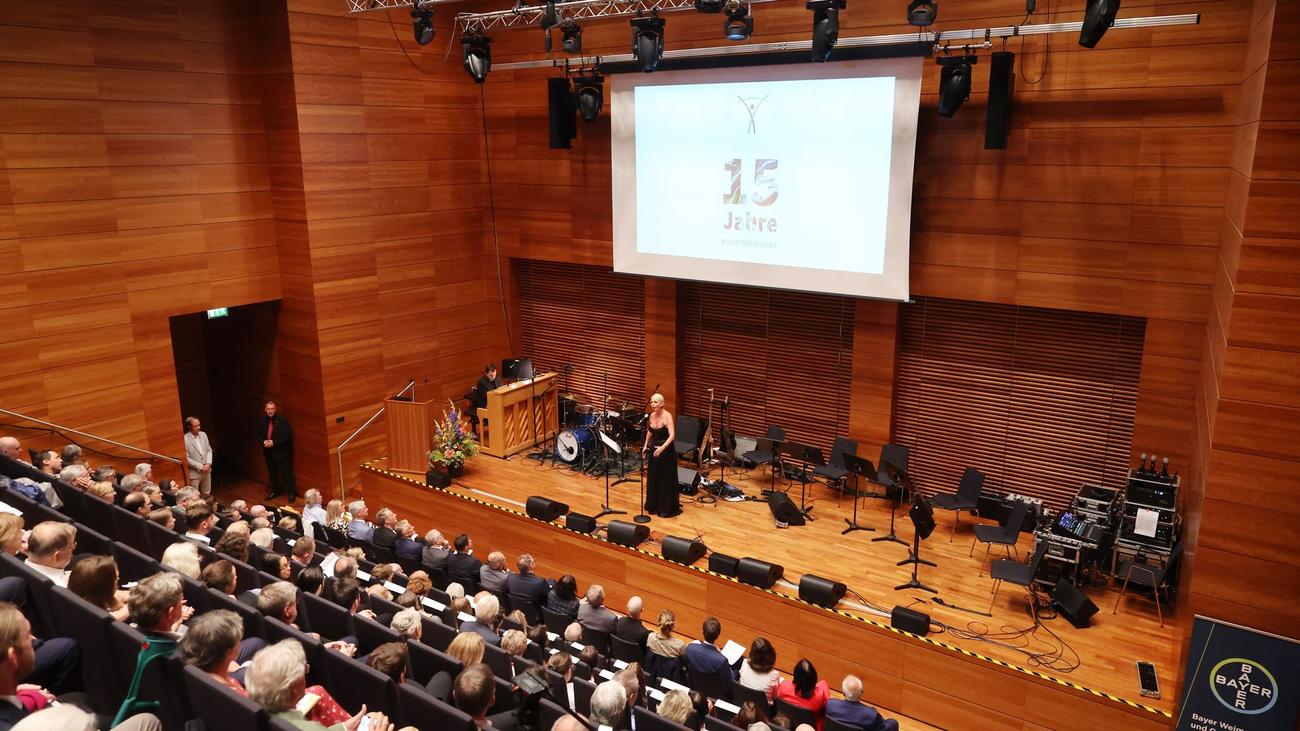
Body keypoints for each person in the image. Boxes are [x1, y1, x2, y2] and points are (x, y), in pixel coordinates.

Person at [179, 610, 351, 727]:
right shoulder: (235, 697)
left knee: (317, 691)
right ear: (231, 651)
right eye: (238, 639)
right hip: (277, 717)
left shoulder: (199, 674)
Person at [245, 640, 393, 731]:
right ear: (293, 688)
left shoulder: (250, 709)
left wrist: (344, 728)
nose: (306, 674)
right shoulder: (308, 728)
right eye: (304, 671)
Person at [641, 392, 680, 518]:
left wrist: (662, 448)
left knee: (664, 479)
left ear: (662, 404)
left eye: (655, 402)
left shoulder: (667, 416)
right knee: (653, 477)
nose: (653, 404)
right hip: (654, 450)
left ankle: (665, 507)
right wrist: (645, 445)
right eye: (652, 402)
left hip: (666, 451)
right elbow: (650, 431)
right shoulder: (652, 416)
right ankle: (653, 505)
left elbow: (672, 435)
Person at [67, 555, 130, 621]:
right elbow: (104, 621)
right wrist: (129, 608)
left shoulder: (69, 601)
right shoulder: (93, 620)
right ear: (104, 588)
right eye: (116, 578)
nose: (118, 579)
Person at [825, 675, 897, 731]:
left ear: (843, 692)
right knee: (893, 723)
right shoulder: (871, 715)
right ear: (862, 692)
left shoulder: (830, 704)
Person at [685, 617, 737, 692]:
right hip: (714, 694)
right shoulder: (722, 660)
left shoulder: (690, 648)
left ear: (702, 631)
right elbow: (728, 685)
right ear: (718, 635)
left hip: (693, 688)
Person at [775, 659, 830, 730]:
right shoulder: (820, 694)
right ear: (814, 677)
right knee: (823, 683)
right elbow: (826, 709)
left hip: (788, 724)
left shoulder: (784, 686)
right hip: (809, 727)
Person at [258, 400, 296, 502]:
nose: (270, 411)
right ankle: (275, 490)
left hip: (281, 453)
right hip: (268, 453)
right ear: (265, 410)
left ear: (275, 409)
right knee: (272, 473)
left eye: (272, 409)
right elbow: (259, 435)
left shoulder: (282, 420)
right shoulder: (262, 421)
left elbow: (287, 436)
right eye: (268, 409)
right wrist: (263, 441)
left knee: (287, 473)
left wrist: (274, 443)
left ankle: (292, 493)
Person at [23, 522, 76, 587]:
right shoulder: (63, 588)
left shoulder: (15, 565)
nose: (73, 549)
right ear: (57, 556)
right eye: (72, 547)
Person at [644, 609, 687, 683]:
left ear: (658, 623)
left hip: (651, 678)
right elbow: (686, 662)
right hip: (669, 682)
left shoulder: (651, 637)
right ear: (673, 626)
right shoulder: (679, 645)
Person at [506, 553, 549, 621]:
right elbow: (547, 598)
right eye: (533, 562)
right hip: (533, 617)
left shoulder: (510, 578)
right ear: (531, 567)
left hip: (515, 612)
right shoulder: (540, 582)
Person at [738, 637, 781, 702]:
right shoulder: (774, 675)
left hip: (742, 702)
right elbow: (775, 697)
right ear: (771, 655)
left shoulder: (744, 662)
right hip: (763, 707)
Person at [183, 416, 214, 497]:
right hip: (195, 473)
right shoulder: (185, 439)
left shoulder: (203, 434)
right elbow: (186, 458)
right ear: (189, 426)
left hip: (207, 470)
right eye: (195, 426)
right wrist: (201, 466)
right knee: (195, 496)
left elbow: (209, 450)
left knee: (207, 493)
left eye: (199, 425)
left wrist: (208, 463)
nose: (198, 427)